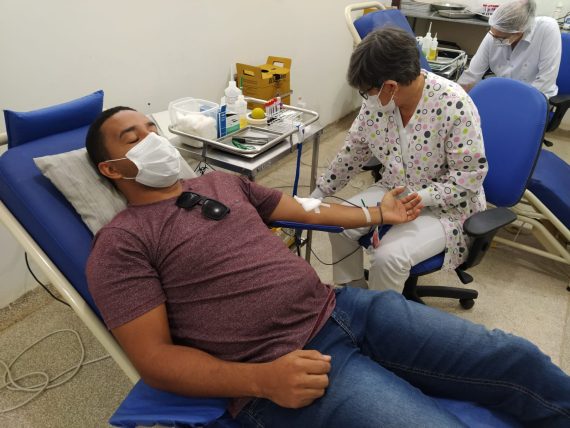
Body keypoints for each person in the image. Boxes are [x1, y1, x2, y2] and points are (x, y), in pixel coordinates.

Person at [84, 106, 570, 427]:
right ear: (110, 169)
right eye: (133, 138)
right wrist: (261, 381)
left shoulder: (221, 184)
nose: (152, 139)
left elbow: (305, 208)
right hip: (284, 360)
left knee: (514, 357)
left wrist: (377, 213)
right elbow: (154, 360)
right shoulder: (122, 242)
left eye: (152, 128)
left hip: (344, 308)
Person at [311, 27, 487, 292]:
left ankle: (382, 315)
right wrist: (320, 193)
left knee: (388, 258)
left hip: (448, 206)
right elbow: (353, 151)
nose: (366, 99)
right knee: (339, 222)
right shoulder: (378, 105)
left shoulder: (454, 105)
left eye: (367, 92)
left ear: (391, 86)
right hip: (395, 188)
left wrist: (416, 199)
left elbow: (468, 179)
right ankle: (354, 296)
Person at [458, 0, 562, 98]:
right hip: (503, 93)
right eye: (493, 35)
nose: (495, 40)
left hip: (536, 97)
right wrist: (456, 95)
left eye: (501, 38)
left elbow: (545, 81)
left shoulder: (547, 29)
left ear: (519, 32)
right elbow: (472, 74)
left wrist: (513, 103)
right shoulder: (495, 33)